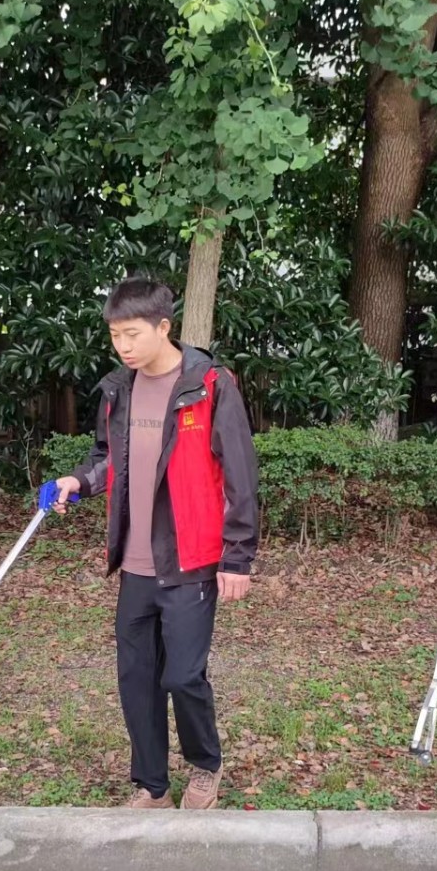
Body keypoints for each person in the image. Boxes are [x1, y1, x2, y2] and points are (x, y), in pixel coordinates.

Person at [49, 276, 258, 810]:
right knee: (136, 677)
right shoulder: (118, 388)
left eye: (132, 334)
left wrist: (238, 557)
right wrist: (78, 481)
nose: (123, 346)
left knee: (184, 675)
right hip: (135, 565)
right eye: (115, 335)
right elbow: (106, 460)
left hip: (191, 561)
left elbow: (240, 473)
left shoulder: (210, 384)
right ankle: (153, 786)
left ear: (164, 327)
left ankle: (205, 765)